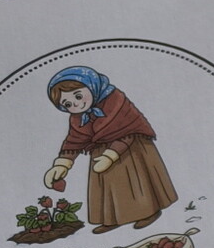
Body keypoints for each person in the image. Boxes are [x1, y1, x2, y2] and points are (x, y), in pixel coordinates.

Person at [44, 66, 178, 234]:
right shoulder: (78, 117)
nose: (76, 104)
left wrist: (111, 155)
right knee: (107, 186)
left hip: (131, 149)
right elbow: (74, 139)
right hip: (101, 152)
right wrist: (62, 164)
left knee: (136, 182)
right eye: (67, 104)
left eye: (78, 96)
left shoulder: (116, 102)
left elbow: (129, 129)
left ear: (92, 86)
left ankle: (148, 211)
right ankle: (112, 218)